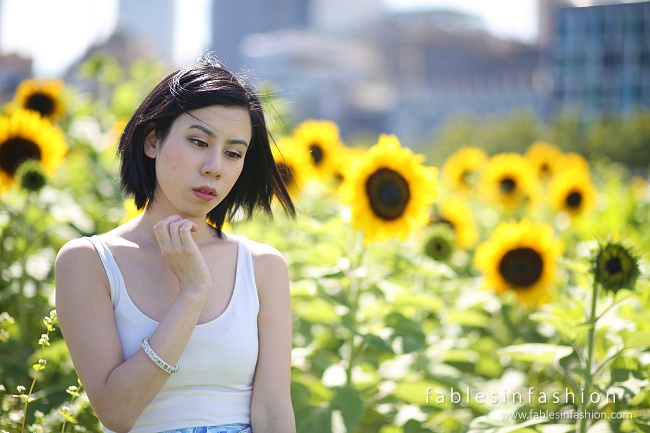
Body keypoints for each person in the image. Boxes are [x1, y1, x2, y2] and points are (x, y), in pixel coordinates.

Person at [55, 55, 296, 433]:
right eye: (199, 142)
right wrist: (193, 292)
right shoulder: (89, 262)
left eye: (233, 153)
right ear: (153, 140)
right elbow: (116, 413)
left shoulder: (263, 267)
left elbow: (275, 411)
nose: (215, 166)